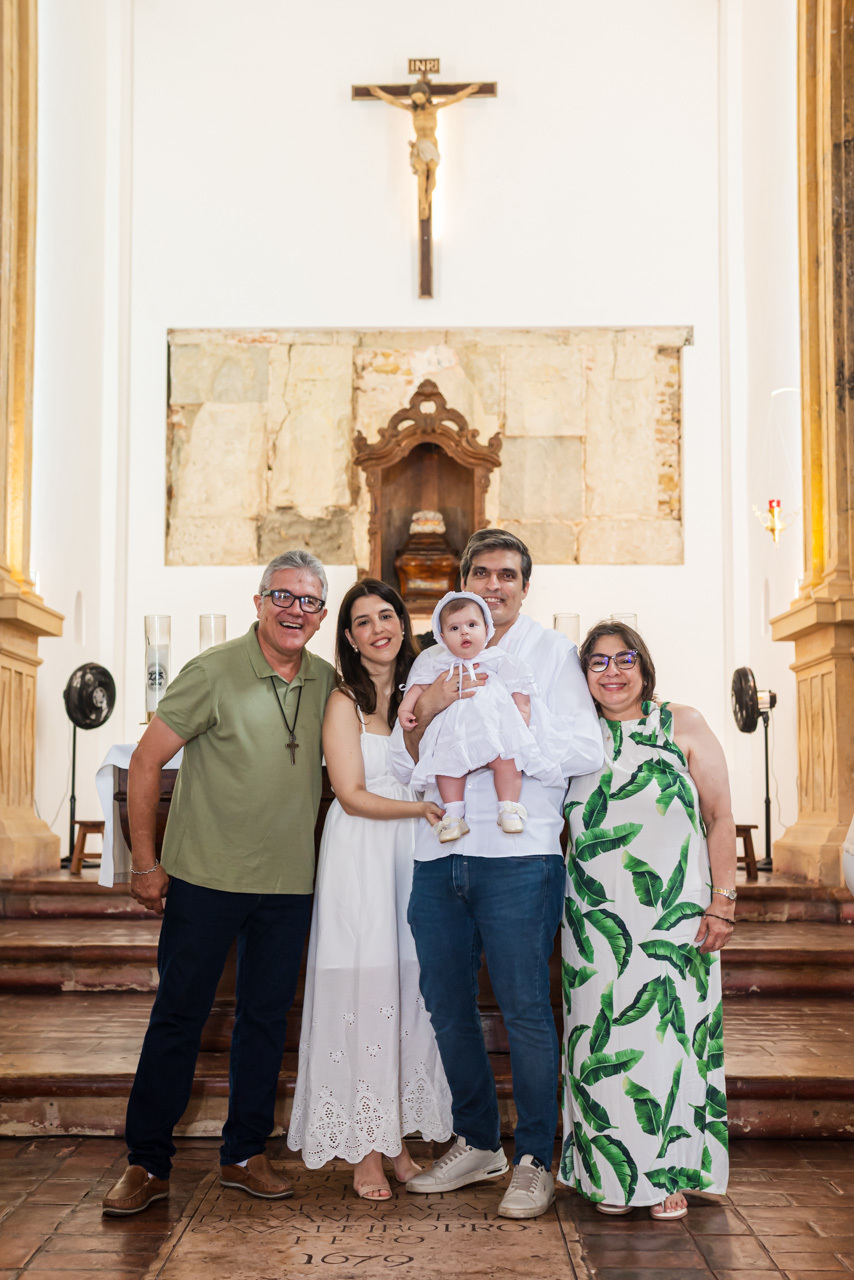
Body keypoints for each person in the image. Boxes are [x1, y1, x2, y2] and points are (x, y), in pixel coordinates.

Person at [102, 551, 336, 1216]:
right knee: (179, 1016)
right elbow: (145, 762)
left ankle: (244, 1153)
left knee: (265, 1020)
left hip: (288, 884)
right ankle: (146, 1162)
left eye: (308, 601)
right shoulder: (212, 671)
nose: (294, 610)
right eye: (282, 596)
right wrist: (144, 863)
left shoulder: (326, 680)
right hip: (206, 877)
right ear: (258, 602)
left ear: (322, 616)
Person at [389, 529, 604, 1219]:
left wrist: (507, 730)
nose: (493, 584)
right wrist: (437, 708)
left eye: (507, 574)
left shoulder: (551, 653)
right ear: (464, 583)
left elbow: (586, 747)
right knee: (447, 1005)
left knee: (525, 1010)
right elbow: (401, 758)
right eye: (481, 573)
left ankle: (536, 1156)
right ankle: (480, 1141)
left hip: (519, 855)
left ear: (525, 586)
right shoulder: (433, 656)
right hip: (438, 854)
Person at [559, 621, 735, 1221]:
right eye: (598, 662)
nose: (612, 672)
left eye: (624, 658)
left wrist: (723, 901)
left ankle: (667, 1174)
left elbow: (719, 815)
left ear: (644, 665)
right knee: (599, 1041)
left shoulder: (682, 724)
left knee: (668, 1042)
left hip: (675, 918)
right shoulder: (573, 736)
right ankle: (608, 1175)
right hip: (594, 924)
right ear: (583, 675)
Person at [287, 580, 453, 1199]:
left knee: (407, 990)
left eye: (387, 616)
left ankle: (396, 1141)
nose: (378, 628)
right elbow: (352, 794)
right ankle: (362, 1151)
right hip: (362, 854)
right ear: (350, 638)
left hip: (412, 855)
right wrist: (421, 809)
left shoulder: (420, 691)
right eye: (363, 621)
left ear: (403, 625)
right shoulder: (342, 702)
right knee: (363, 987)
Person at [399, 591, 563, 841]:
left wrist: (521, 714)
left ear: (486, 630)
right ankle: (454, 816)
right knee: (446, 768)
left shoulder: (495, 658)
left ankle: (508, 807)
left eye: (472, 625)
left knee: (508, 762)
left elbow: (519, 683)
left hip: (493, 728)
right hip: (456, 733)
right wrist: (405, 708)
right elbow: (418, 686)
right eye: (454, 628)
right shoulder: (440, 664)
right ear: (442, 637)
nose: (464, 632)